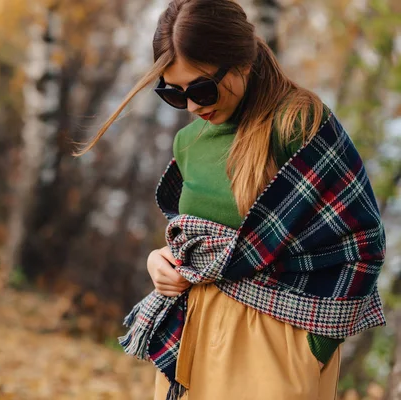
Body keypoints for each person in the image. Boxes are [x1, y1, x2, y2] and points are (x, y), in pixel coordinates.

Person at [74, 0, 387, 399]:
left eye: (202, 88)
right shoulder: (189, 142)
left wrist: (310, 346)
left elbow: (362, 243)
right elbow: (202, 239)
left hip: (275, 342)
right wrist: (161, 260)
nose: (192, 106)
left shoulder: (298, 123)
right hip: (193, 331)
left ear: (241, 62)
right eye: (174, 93)